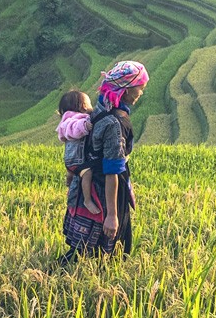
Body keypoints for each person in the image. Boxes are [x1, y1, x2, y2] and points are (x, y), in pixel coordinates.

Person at [76, 60, 150, 256]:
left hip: (93, 185)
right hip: (107, 190)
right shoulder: (116, 123)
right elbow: (112, 171)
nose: (141, 93)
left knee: (87, 247)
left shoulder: (101, 110)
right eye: (139, 88)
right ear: (125, 91)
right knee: (112, 250)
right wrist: (112, 215)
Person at [57, 89, 104, 254]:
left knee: (75, 175)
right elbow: (74, 128)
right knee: (87, 173)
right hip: (77, 160)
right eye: (89, 103)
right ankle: (87, 200)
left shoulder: (69, 117)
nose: (91, 107)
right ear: (82, 106)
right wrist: (86, 126)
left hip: (71, 161)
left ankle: (70, 179)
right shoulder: (74, 119)